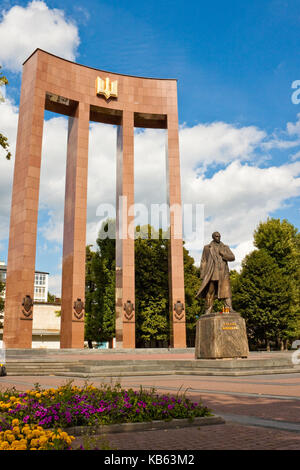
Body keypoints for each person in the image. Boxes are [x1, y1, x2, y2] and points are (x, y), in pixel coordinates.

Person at [196, 232, 235, 314]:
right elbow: (204, 261)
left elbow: (232, 257)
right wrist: (203, 274)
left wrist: (223, 254)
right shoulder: (207, 248)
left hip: (223, 272)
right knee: (210, 291)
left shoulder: (225, 247)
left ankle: (229, 308)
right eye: (217, 236)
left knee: (226, 292)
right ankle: (208, 310)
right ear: (213, 237)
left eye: (219, 236)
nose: (218, 237)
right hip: (212, 272)